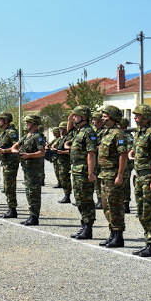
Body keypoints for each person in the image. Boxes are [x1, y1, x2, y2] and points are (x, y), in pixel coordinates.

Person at [130, 104, 151, 257]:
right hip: (139, 177)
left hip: (150, 177)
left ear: (145, 117)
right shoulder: (138, 133)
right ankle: (148, 241)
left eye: (137, 115)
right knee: (141, 212)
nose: (135, 117)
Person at [97, 106, 128, 248]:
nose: (102, 118)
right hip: (104, 174)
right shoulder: (106, 133)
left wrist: (120, 175)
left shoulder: (118, 134)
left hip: (113, 174)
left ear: (112, 117)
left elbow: (123, 155)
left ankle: (118, 236)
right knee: (106, 205)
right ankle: (112, 234)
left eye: (105, 116)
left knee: (115, 206)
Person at [66, 106, 98, 239]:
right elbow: (69, 130)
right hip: (77, 170)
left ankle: (88, 228)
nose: (74, 117)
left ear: (84, 117)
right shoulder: (79, 131)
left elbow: (91, 153)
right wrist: (70, 117)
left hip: (84, 170)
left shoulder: (88, 132)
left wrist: (91, 173)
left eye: (76, 115)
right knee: (79, 199)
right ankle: (84, 225)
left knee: (86, 200)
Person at [11, 114, 46, 225]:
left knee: (34, 193)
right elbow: (15, 146)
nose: (26, 124)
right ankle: (31, 215)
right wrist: (16, 151)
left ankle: (34, 217)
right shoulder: (26, 136)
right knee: (29, 193)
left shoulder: (37, 136)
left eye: (28, 122)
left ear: (34, 124)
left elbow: (42, 152)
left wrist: (28, 155)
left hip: (35, 170)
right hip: (27, 169)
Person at [0, 112, 20, 218]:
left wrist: (4, 151)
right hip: (6, 163)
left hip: (11, 163)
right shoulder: (4, 133)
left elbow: (17, 146)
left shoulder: (11, 132)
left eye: (0, 120)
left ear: (6, 121)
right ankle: (11, 208)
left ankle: (12, 210)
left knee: (9, 187)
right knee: (7, 186)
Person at [55, 121, 73, 204]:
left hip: (65, 162)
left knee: (66, 178)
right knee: (62, 178)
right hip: (60, 161)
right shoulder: (61, 138)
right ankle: (66, 194)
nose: (60, 130)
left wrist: (62, 152)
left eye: (61, 128)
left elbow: (71, 151)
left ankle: (67, 195)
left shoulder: (68, 138)